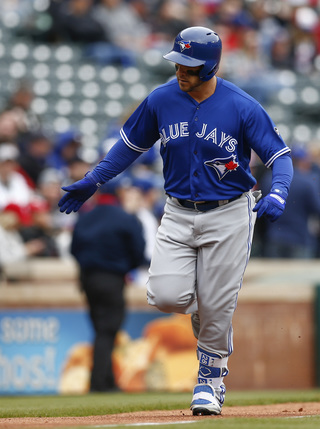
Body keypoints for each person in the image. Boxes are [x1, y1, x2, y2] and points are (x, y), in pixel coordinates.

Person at [59, 26, 293, 415]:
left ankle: (210, 380)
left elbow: (279, 155)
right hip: (179, 211)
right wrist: (94, 179)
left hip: (229, 212)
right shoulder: (161, 99)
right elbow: (129, 147)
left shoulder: (241, 105)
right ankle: (210, 305)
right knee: (167, 295)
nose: (181, 71)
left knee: (217, 306)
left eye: (190, 65)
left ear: (212, 64)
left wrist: (280, 190)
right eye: (178, 62)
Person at [71, 181, 146, 392]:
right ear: (119, 194)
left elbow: (73, 249)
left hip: (88, 279)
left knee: (101, 329)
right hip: (112, 278)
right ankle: (98, 383)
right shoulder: (126, 218)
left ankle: (107, 380)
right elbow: (139, 252)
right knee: (108, 329)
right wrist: (125, 267)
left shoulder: (85, 217)